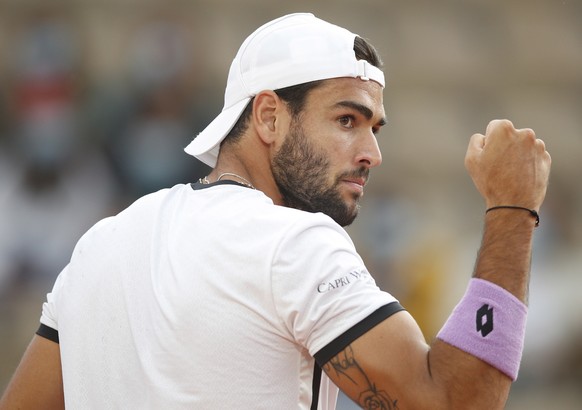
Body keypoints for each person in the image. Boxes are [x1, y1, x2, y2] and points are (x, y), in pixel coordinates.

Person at [0, 12, 551, 410]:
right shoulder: (293, 242)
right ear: (267, 117)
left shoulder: (101, 243)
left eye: (374, 128)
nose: (371, 153)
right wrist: (512, 208)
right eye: (346, 120)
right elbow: (455, 402)